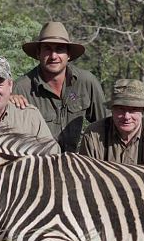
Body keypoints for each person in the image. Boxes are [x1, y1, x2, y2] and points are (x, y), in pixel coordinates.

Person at [12, 21, 107, 152]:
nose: (53, 56)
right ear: (38, 53)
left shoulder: (86, 81)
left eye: (59, 49)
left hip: (77, 161)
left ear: (69, 55)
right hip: (39, 162)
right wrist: (8, 100)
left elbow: (106, 125)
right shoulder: (21, 88)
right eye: (47, 49)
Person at [79, 79, 144, 167]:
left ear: (143, 111)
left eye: (133, 109)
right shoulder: (94, 134)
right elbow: (87, 178)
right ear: (112, 109)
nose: (126, 117)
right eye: (120, 109)